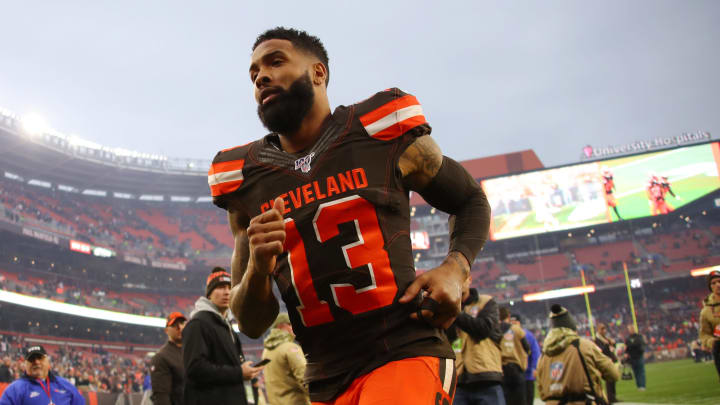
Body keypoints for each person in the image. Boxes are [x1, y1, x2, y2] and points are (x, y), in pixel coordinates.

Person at [209, 27, 491, 404]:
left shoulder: (378, 132)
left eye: (276, 62)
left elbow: (470, 199)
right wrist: (259, 268)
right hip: (325, 377)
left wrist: (455, 269)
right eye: (254, 72)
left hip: (404, 350)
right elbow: (252, 322)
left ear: (318, 73)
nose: (261, 76)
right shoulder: (245, 181)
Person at [183, 267, 264, 405]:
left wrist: (248, 376)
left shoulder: (226, 325)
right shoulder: (198, 324)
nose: (226, 292)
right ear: (209, 294)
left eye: (229, 287)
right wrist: (239, 372)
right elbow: (195, 369)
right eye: (220, 287)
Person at [537, 305, 619, 405]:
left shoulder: (544, 355)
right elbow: (613, 374)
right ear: (572, 327)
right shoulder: (583, 346)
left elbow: (541, 390)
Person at [448, 280, 504, 405]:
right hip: (458, 381)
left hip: (486, 378)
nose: (458, 282)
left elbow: (483, 329)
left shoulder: (486, 302)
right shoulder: (446, 308)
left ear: (469, 279)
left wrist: (455, 312)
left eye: (462, 278)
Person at [0, 345, 85, 405]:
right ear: (25, 364)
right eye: (32, 359)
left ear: (47, 361)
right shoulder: (15, 389)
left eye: (40, 358)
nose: (36, 362)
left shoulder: (65, 385)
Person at [262, 312, 310, 405]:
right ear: (281, 326)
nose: (293, 328)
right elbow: (305, 378)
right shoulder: (290, 348)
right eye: (290, 324)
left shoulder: (266, 351)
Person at [151, 312, 187, 405]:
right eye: (174, 325)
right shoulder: (161, 357)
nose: (179, 328)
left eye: (182, 324)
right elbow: (161, 396)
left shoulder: (192, 351)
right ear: (167, 330)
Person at [498, 307, 528, 405]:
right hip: (517, 369)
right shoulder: (516, 329)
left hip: (501, 370)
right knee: (520, 400)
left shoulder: (493, 330)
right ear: (509, 316)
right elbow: (527, 348)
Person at [510, 314, 539, 405]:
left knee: (528, 400)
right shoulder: (507, 335)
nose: (514, 324)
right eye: (512, 322)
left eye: (515, 322)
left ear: (519, 323)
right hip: (514, 375)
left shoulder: (527, 335)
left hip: (527, 374)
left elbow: (535, 352)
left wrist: (534, 368)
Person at [700, 270, 720, 380]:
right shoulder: (706, 311)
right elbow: (704, 334)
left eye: (719, 281)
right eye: (713, 283)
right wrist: (711, 341)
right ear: (710, 287)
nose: (718, 285)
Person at [594, 323, 619, 404]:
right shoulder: (597, 340)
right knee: (609, 379)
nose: (604, 331)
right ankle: (610, 397)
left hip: (611, 360)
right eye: (602, 329)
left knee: (613, 379)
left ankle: (613, 397)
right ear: (598, 330)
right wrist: (606, 344)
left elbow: (613, 347)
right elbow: (600, 350)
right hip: (604, 361)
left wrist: (612, 343)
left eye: (604, 329)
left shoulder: (606, 338)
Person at [624, 325, 646, 391]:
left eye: (631, 329)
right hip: (632, 357)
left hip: (639, 356)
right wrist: (626, 353)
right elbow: (627, 347)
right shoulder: (628, 338)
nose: (630, 330)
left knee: (641, 371)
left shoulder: (639, 337)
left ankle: (642, 385)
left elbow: (641, 345)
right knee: (636, 372)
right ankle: (639, 386)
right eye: (629, 329)